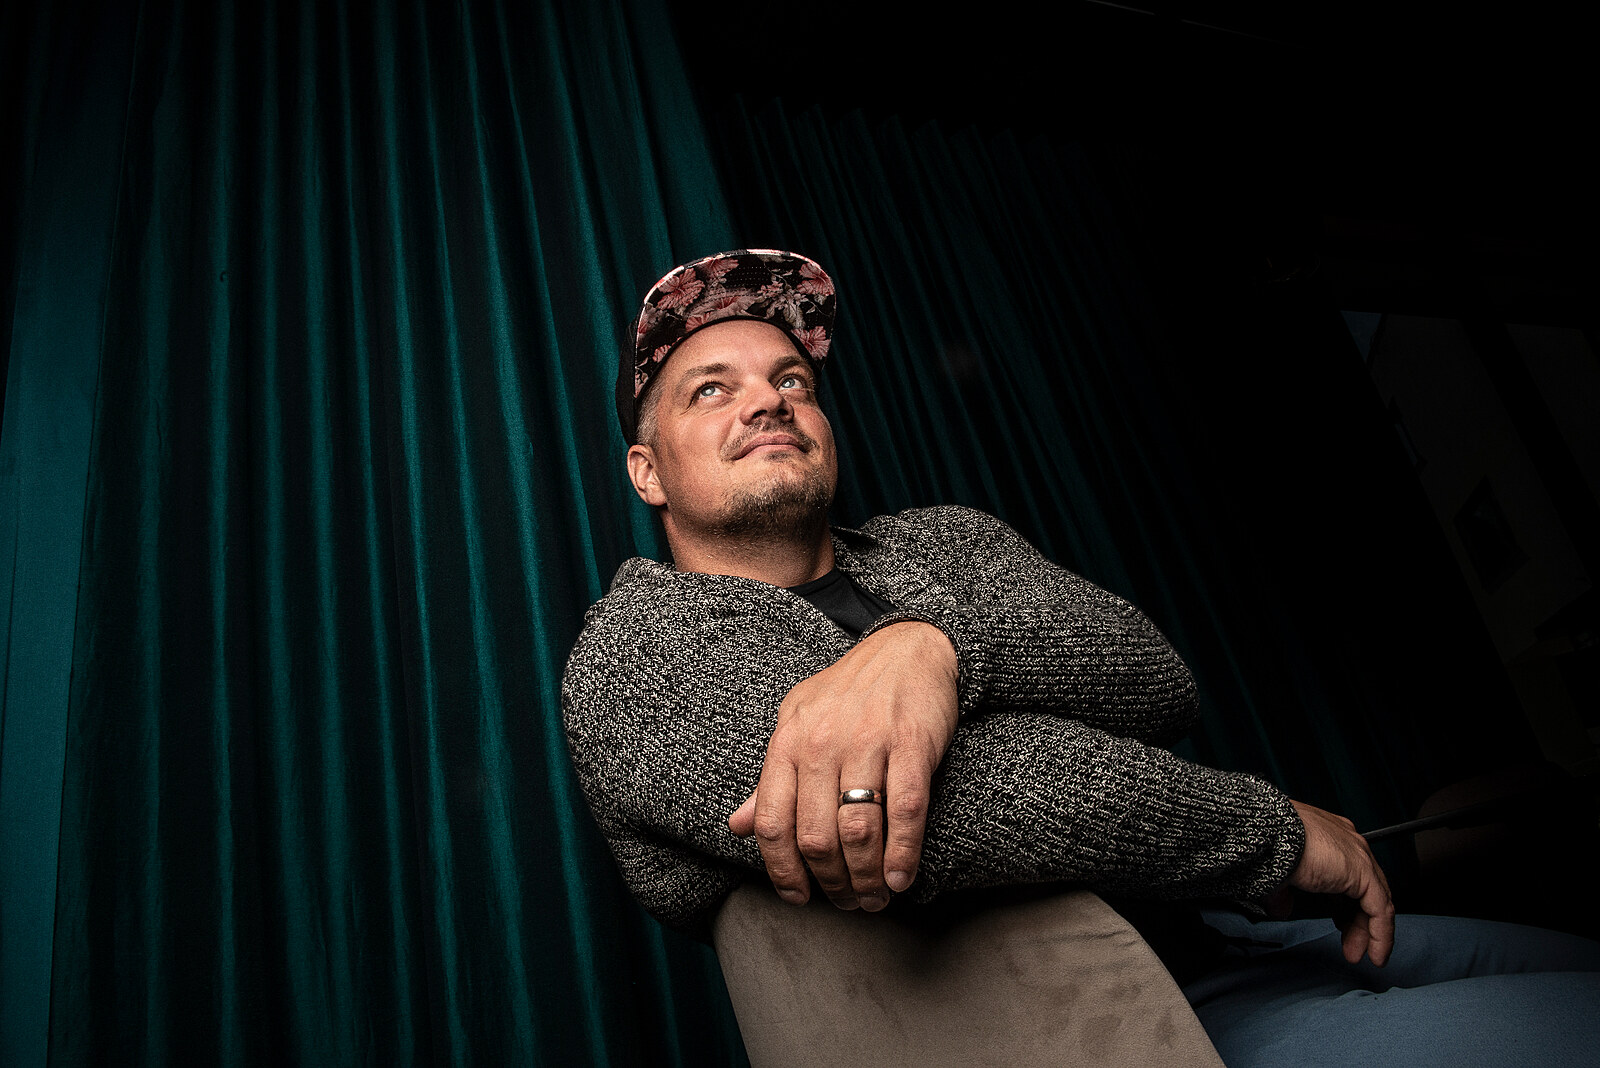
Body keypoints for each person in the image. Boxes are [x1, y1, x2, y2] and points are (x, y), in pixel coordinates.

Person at [561, 249, 1600, 1066]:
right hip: (1123, 1031)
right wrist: (1270, 833)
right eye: (710, 390)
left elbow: (1151, 673)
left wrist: (931, 648)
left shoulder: (944, 541)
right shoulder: (636, 652)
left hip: (1235, 939)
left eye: (791, 377)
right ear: (647, 472)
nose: (768, 400)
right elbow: (967, 804)